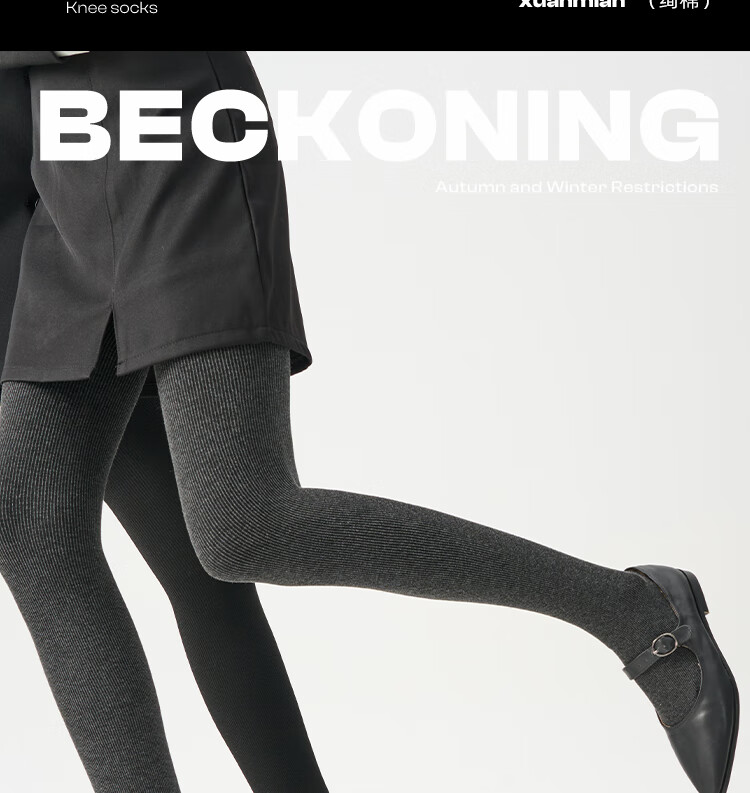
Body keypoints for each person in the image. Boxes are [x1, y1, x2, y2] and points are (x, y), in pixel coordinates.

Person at [0, 51, 739, 793]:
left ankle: (633, 609)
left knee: (241, 525)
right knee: (32, 525)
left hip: (169, 139)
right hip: (61, 177)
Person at [0, 61, 329, 793]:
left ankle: (598, 600)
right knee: (46, 532)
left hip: (131, 165)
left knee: (231, 536)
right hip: (60, 212)